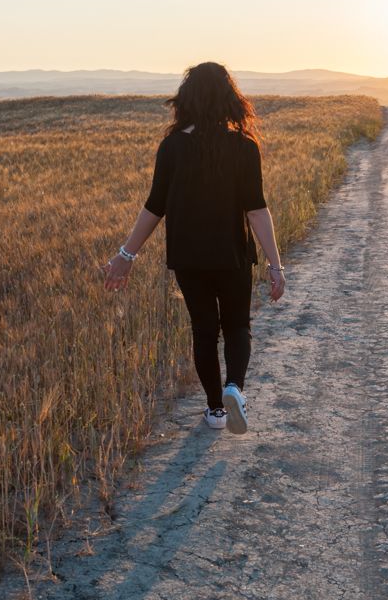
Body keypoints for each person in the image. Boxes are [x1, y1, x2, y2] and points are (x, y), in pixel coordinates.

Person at [101, 62, 286, 435]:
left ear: (186, 100)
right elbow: (256, 209)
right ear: (230, 99)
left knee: (203, 331)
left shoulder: (171, 147)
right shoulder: (243, 146)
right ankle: (235, 386)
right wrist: (275, 265)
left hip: (188, 257)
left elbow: (155, 206)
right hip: (232, 254)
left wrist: (126, 256)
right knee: (237, 326)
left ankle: (216, 411)